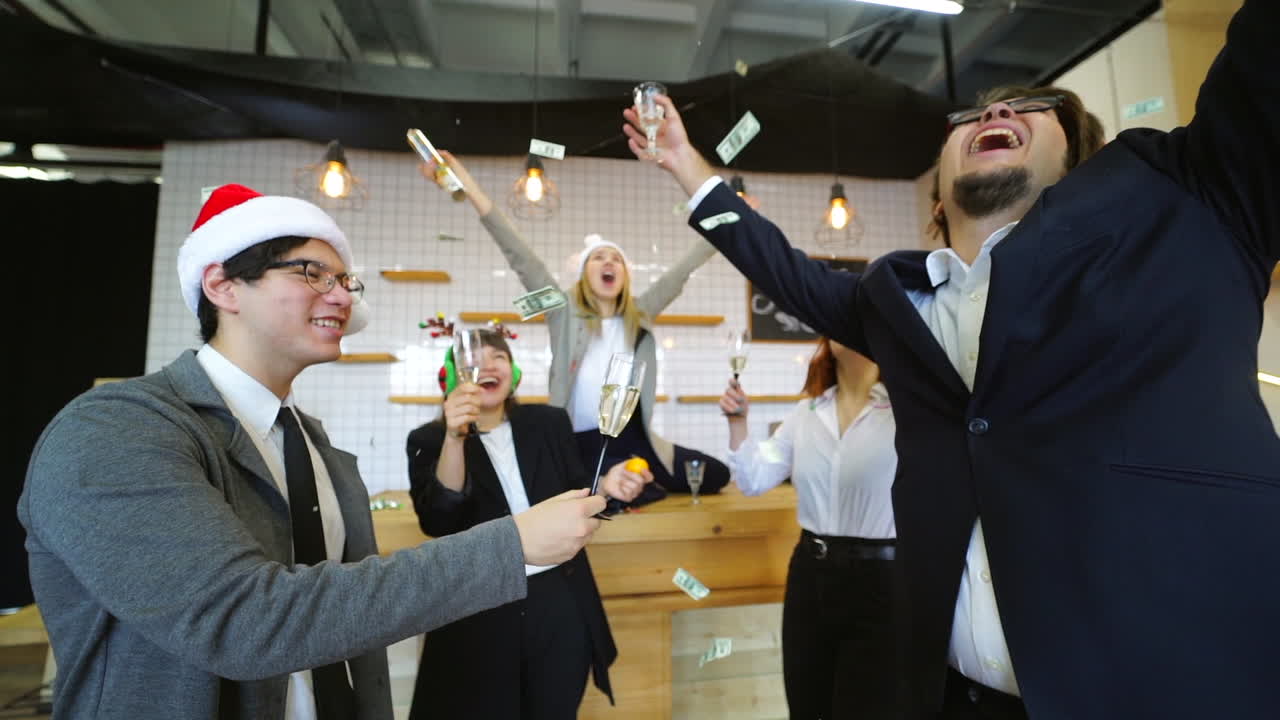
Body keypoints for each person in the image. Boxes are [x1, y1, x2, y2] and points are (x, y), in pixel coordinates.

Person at [623, 1, 1280, 717]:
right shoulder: (893, 305)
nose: (993, 112)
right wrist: (685, 165)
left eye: (1030, 108)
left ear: (1078, 164)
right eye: (969, 115)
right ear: (937, 193)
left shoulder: (1186, 210)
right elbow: (777, 263)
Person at [18, 183, 607, 720]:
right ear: (222, 285)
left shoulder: (317, 449)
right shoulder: (116, 429)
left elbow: (343, 625)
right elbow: (246, 623)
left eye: (346, 281)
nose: (342, 296)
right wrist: (511, 545)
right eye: (313, 273)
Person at [419, 152, 730, 507]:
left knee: (715, 474)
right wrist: (469, 187)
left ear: (624, 275)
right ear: (583, 273)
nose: (609, 262)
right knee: (596, 497)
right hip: (579, 442)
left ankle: (631, 482)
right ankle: (620, 485)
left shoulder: (640, 315)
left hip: (636, 440)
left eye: (616, 259)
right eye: (599, 257)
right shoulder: (563, 311)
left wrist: (731, 219)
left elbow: (681, 271)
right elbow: (520, 255)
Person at [405, 328, 650, 719]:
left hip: (559, 598)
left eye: (498, 357)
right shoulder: (429, 439)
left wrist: (606, 486)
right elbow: (439, 519)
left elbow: (577, 494)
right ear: (453, 376)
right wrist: (455, 436)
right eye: (473, 360)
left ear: (513, 372)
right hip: (479, 603)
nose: (487, 365)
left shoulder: (549, 423)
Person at [720, 338, 897, 720]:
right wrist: (738, 423)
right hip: (810, 574)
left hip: (883, 583)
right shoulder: (806, 413)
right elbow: (754, 479)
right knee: (806, 704)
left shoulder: (905, 413)